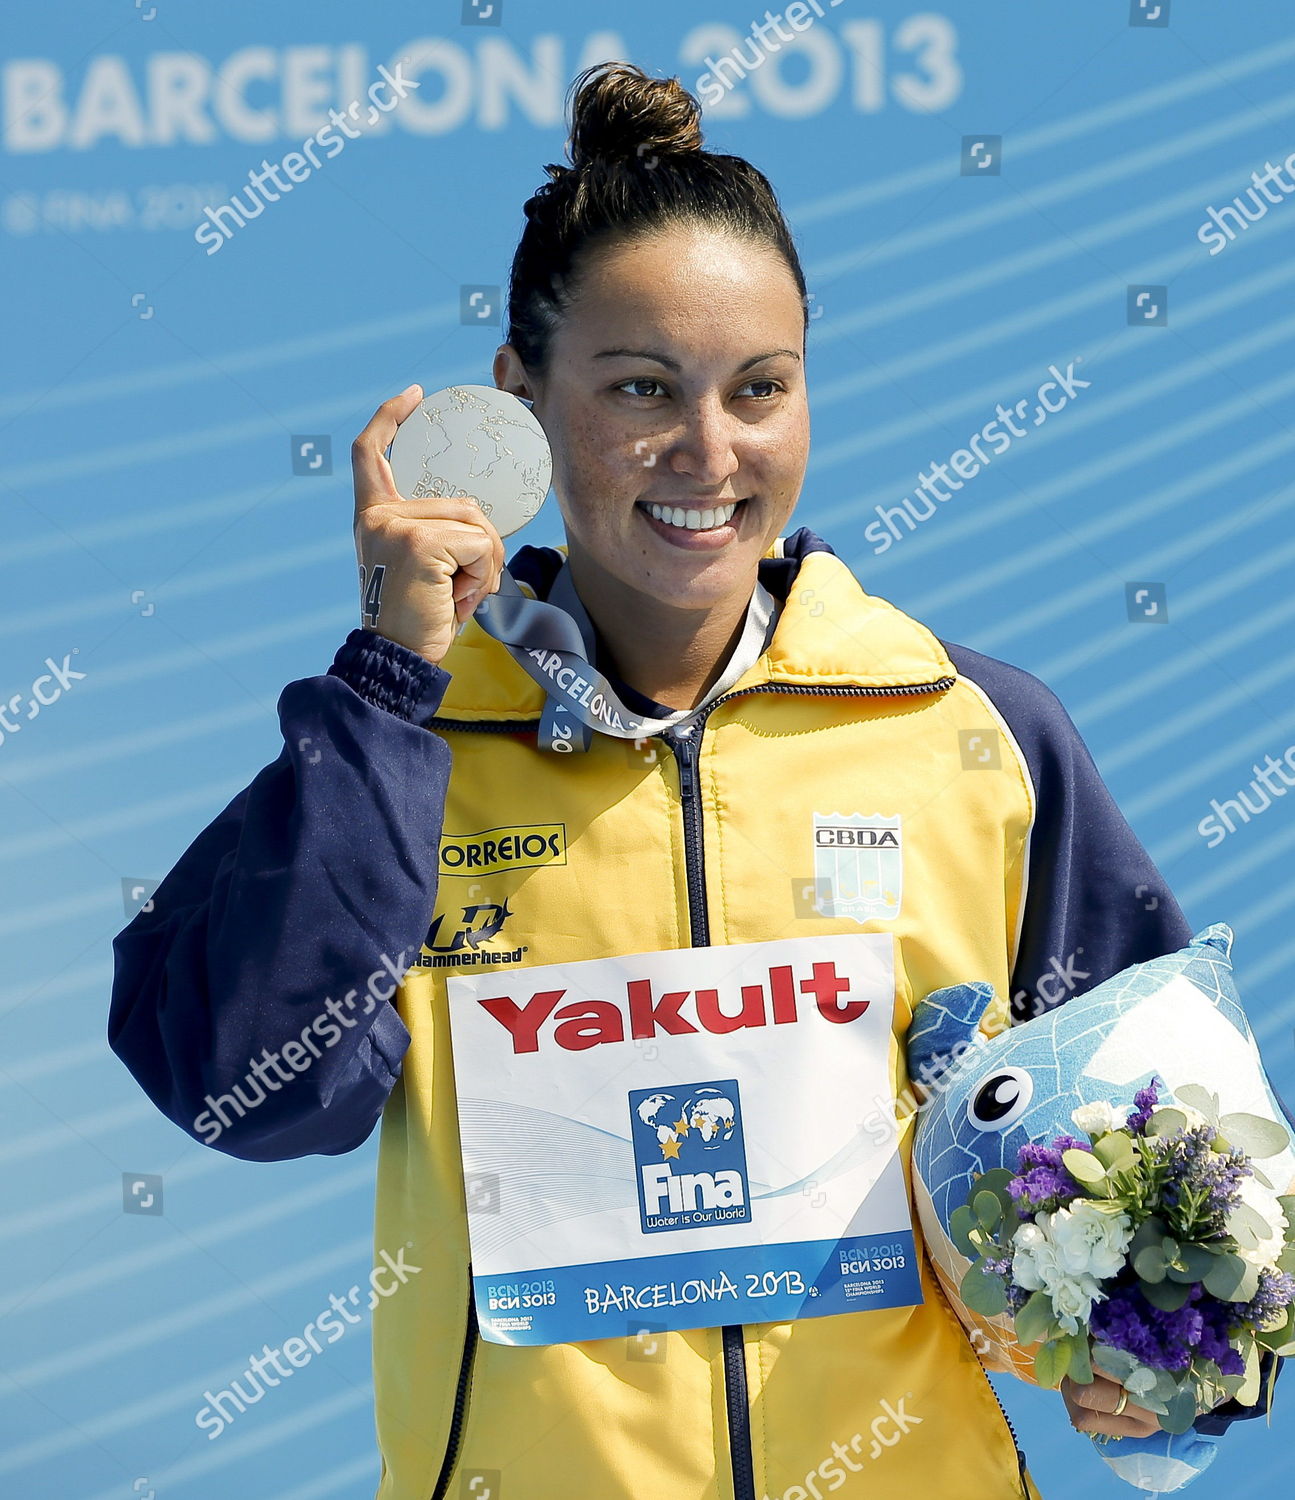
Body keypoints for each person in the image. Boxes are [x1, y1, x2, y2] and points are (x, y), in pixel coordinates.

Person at [109, 60, 1277, 1500]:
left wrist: (1173, 1355)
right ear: (519, 398)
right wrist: (393, 679)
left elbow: (1186, 1157)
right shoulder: (404, 747)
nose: (709, 452)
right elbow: (249, 1089)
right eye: (642, 388)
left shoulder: (973, 732)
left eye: (761, 389)